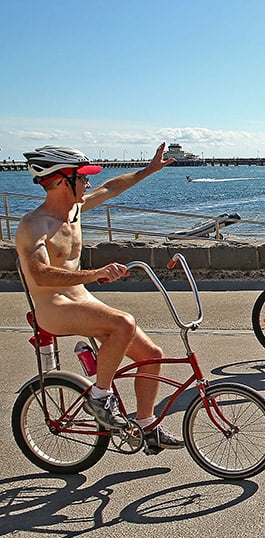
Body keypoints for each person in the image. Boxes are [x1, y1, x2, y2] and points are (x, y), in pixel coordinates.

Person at [15, 143, 184, 449]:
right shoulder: (34, 224)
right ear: (63, 180)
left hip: (81, 300)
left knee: (152, 355)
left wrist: (149, 170)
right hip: (53, 307)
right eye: (83, 178)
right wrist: (94, 274)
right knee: (122, 323)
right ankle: (99, 398)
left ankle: (146, 426)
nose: (88, 183)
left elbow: (110, 187)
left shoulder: (74, 211)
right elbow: (39, 273)